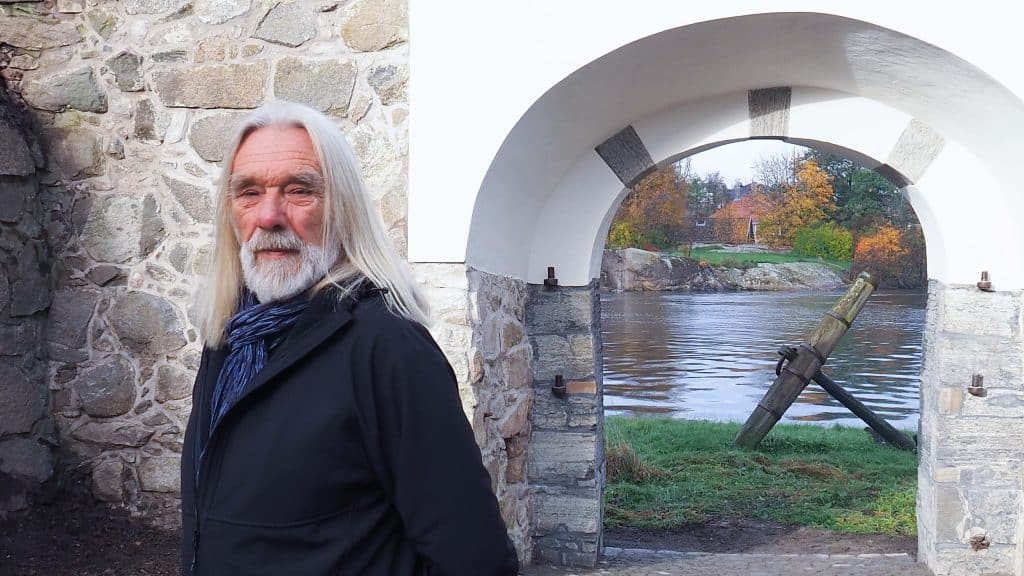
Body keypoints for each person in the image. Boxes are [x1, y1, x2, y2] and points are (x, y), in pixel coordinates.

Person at [180, 101, 520, 576]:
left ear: (343, 208)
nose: (270, 215)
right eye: (249, 193)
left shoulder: (388, 349)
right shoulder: (231, 339)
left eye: (299, 191)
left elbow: (477, 561)